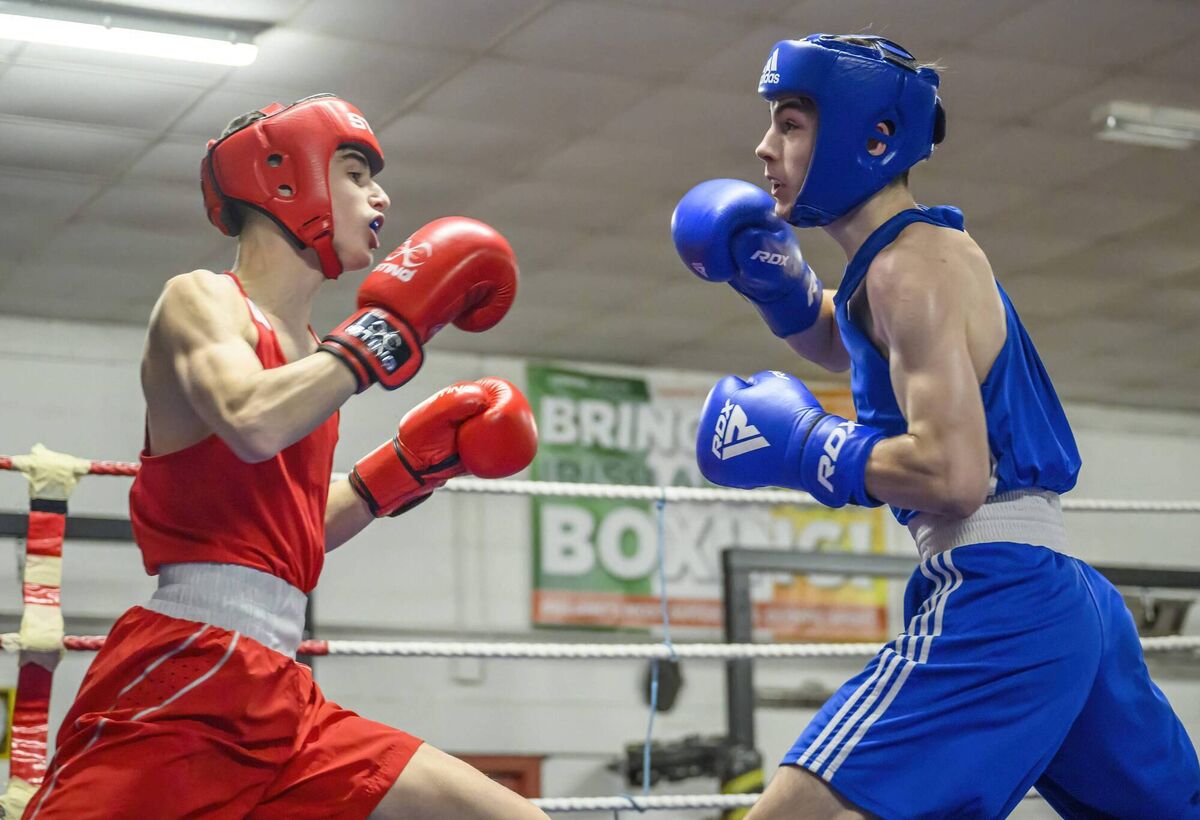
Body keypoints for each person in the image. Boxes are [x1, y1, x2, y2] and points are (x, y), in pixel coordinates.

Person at [673, 35, 1200, 819]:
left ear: (869, 137)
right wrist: (780, 292)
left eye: (790, 124)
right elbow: (867, 348)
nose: (764, 147)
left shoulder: (907, 269)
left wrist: (812, 446)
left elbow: (954, 476)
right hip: (1064, 594)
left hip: (1001, 590)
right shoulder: (905, 262)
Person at [25, 94, 550, 820]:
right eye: (356, 171)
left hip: (282, 693)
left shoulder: (308, 351)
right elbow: (249, 420)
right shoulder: (202, 302)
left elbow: (290, 527)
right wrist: (387, 333)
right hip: (187, 674)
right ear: (283, 175)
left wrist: (405, 468)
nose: (381, 195)